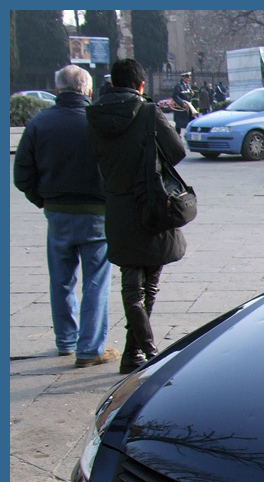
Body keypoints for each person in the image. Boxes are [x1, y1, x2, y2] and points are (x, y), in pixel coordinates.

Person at [86, 58, 188, 375]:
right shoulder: (147, 112)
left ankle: (134, 354)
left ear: (113, 83)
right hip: (150, 202)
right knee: (150, 285)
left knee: (131, 285)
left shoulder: (93, 116)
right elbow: (178, 150)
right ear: (141, 85)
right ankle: (148, 349)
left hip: (117, 205)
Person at [14, 65, 118, 367]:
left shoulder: (39, 123)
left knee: (60, 279)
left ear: (57, 90)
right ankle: (90, 348)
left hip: (57, 212)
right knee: (96, 281)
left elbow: (22, 173)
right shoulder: (99, 123)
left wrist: (44, 200)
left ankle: (66, 341)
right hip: (97, 212)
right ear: (87, 90)